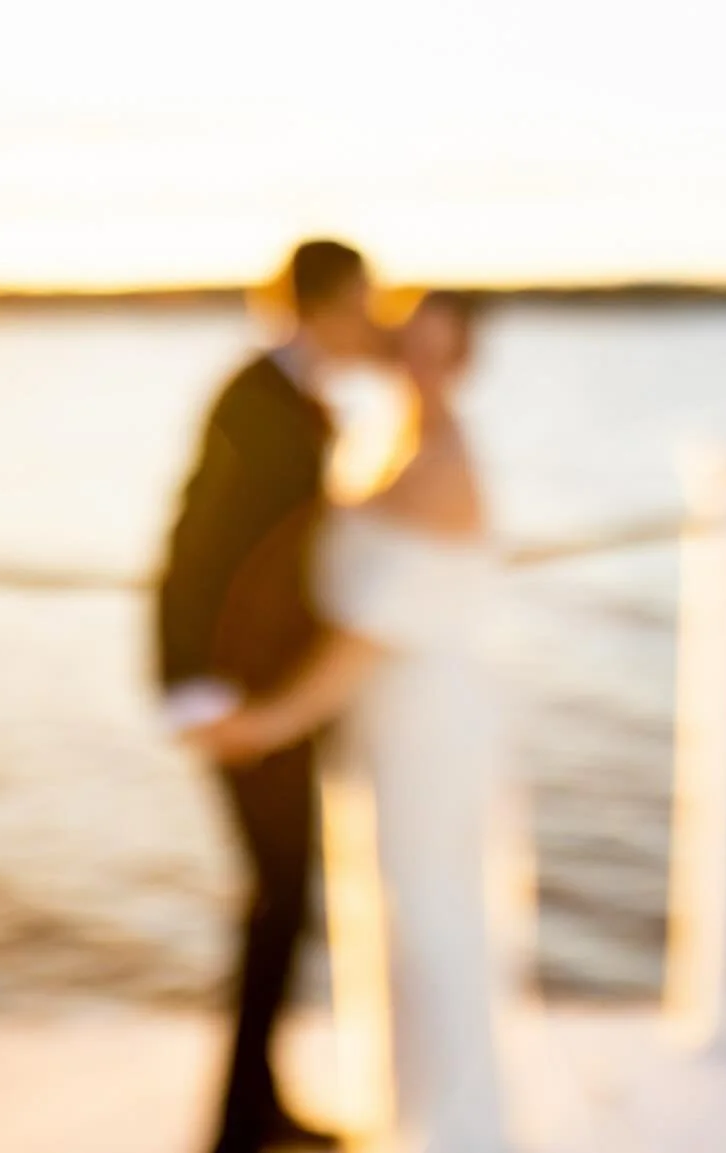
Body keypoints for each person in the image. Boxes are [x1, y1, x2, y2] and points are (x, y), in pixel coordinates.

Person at [192, 292, 515, 1153]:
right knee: (391, 912)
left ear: (465, 363)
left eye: (438, 353)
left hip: (427, 725)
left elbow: (371, 633)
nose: (417, 365)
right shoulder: (379, 440)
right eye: (407, 345)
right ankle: (402, 1111)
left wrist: (266, 721)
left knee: (434, 917)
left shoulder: (445, 462)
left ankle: (457, 1131)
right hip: (378, 725)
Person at [156, 239, 379, 1153]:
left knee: (284, 897)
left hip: (282, 690)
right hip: (242, 696)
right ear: (324, 304)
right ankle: (240, 1125)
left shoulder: (304, 397)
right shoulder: (256, 399)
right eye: (364, 300)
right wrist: (189, 690)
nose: (373, 317)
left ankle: (255, 1108)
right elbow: (194, 544)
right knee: (277, 896)